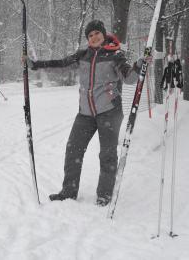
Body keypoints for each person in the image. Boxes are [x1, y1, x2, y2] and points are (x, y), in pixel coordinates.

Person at [27, 20, 145, 206]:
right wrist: (37, 65)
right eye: (90, 35)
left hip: (109, 112)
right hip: (85, 114)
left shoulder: (115, 56)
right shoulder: (83, 55)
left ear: (104, 34)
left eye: (97, 33)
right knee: (73, 149)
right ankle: (68, 191)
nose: (94, 37)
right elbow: (60, 64)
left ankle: (104, 195)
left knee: (107, 155)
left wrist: (139, 65)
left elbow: (129, 78)